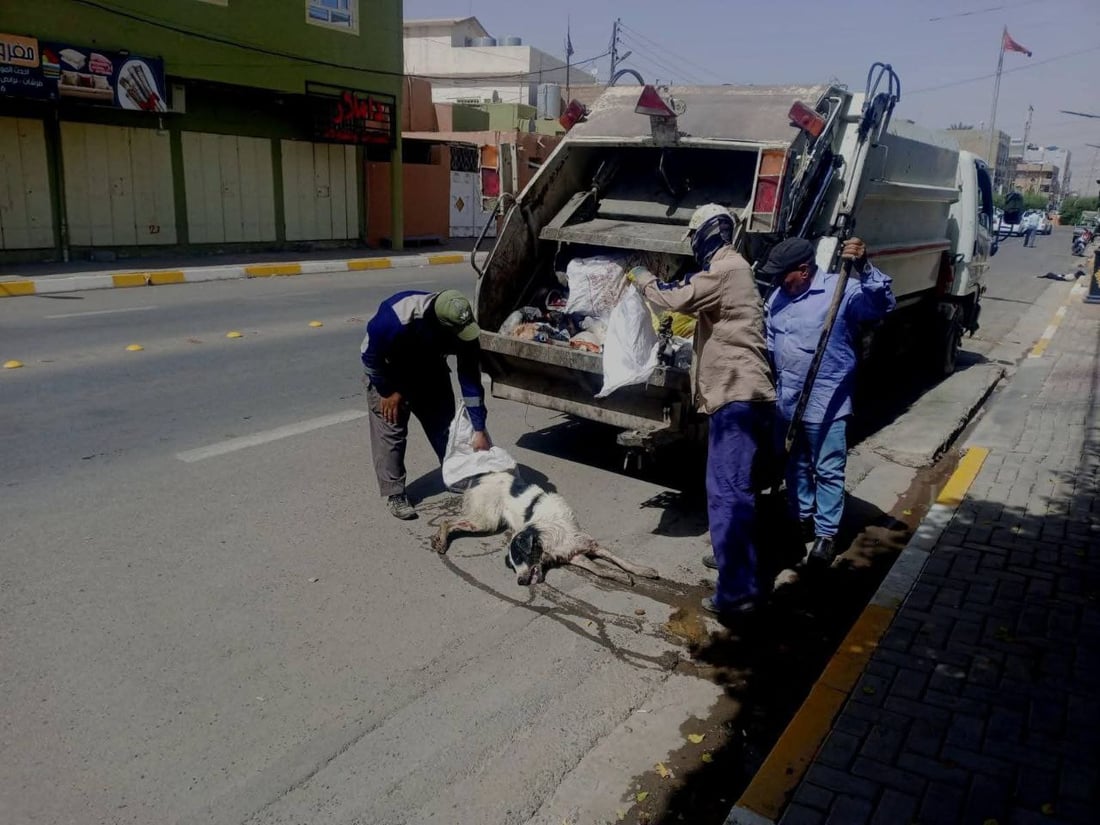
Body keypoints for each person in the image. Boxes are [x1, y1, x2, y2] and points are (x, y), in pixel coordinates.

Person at [628, 204, 776, 620]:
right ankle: (734, 566)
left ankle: (737, 593)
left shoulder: (728, 270)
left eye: (694, 238)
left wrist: (644, 280)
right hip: (738, 398)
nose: (693, 247)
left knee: (729, 496)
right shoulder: (734, 269)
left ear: (706, 234)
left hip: (737, 398)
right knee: (730, 492)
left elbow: (674, 300)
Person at [760, 237, 895, 566]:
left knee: (828, 469)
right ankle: (801, 519)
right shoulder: (777, 297)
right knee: (795, 465)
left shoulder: (841, 290)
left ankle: (825, 535)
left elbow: (881, 305)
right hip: (788, 400)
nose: (778, 281)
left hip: (827, 401)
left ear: (804, 271)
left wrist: (864, 266)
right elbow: (769, 341)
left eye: (783, 275)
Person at [360, 289, 490, 520]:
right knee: (391, 432)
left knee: (446, 426)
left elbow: (470, 380)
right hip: (390, 372)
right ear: (439, 323)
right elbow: (370, 357)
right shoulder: (395, 317)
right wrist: (387, 390)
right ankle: (395, 493)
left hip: (430, 369)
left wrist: (479, 428)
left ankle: (454, 473)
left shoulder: (464, 327)